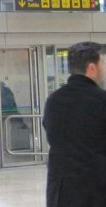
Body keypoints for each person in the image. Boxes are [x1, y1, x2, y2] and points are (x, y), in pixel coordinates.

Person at [43, 41, 106, 207]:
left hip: (60, 189)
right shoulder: (102, 100)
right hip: (95, 189)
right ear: (92, 68)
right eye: (102, 62)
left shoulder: (53, 100)